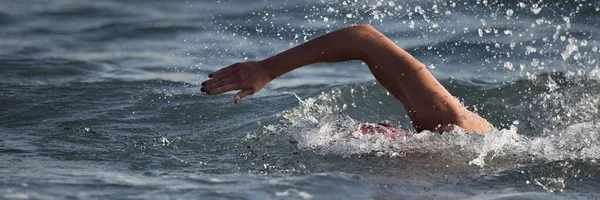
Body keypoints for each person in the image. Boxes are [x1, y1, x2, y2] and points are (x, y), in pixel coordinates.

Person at [200, 24, 494, 134]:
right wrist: (267, 69)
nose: (369, 131)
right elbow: (364, 38)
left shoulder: (449, 129)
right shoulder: (446, 121)